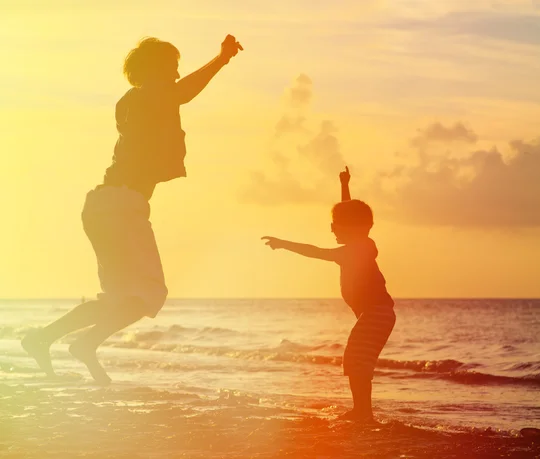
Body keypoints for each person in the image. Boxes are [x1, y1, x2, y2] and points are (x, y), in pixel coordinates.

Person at [22, 35, 243, 385]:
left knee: (121, 297)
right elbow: (181, 92)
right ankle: (74, 342)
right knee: (147, 294)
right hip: (120, 206)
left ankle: (51, 340)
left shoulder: (132, 101)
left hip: (106, 205)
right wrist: (221, 59)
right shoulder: (146, 96)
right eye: (171, 67)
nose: (176, 74)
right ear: (154, 69)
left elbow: (173, 98)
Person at [262, 167, 396, 422]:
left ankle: (363, 413)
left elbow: (314, 251)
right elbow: (349, 210)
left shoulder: (356, 251)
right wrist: (344, 184)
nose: (332, 229)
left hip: (376, 314)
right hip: (376, 314)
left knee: (357, 360)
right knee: (357, 360)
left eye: (335, 225)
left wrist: (284, 243)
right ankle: (362, 411)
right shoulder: (358, 243)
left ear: (351, 228)